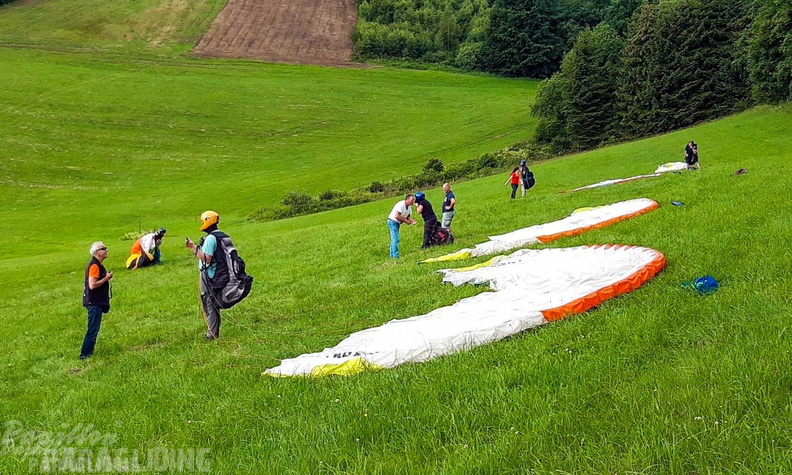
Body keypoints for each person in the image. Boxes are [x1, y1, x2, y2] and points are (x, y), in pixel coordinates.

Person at [185, 211, 224, 340]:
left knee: (208, 302)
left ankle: (212, 334)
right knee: (211, 302)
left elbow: (207, 259)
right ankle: (213, 332)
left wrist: (193, 247)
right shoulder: (221, 235)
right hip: (219, 274)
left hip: (210, 275)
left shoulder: (211, 238)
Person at [81, 241, 114, 360]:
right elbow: (92, 285)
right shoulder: (94, 265)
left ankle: (88, 353)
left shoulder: (98, 265)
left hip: (95, 302)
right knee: (92, 329)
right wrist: (107, 278)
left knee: (94, 328)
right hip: (94, 302)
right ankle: (85, 355)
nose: (106, 250)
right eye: (103, 248)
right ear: (97, 252)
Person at [386, 194, 416, 258]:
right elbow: (397, 216)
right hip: (392, 221)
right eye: (412, 200)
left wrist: (412, 221)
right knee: (396, 239)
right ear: (407, 199)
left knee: (394, 239)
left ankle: (392, 255)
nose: (413, 202)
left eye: (414, 200)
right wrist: (406, 221)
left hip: (397, 223)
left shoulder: (409, 207)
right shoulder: (401, 204)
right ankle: (395, 256)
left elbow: (408, 217)